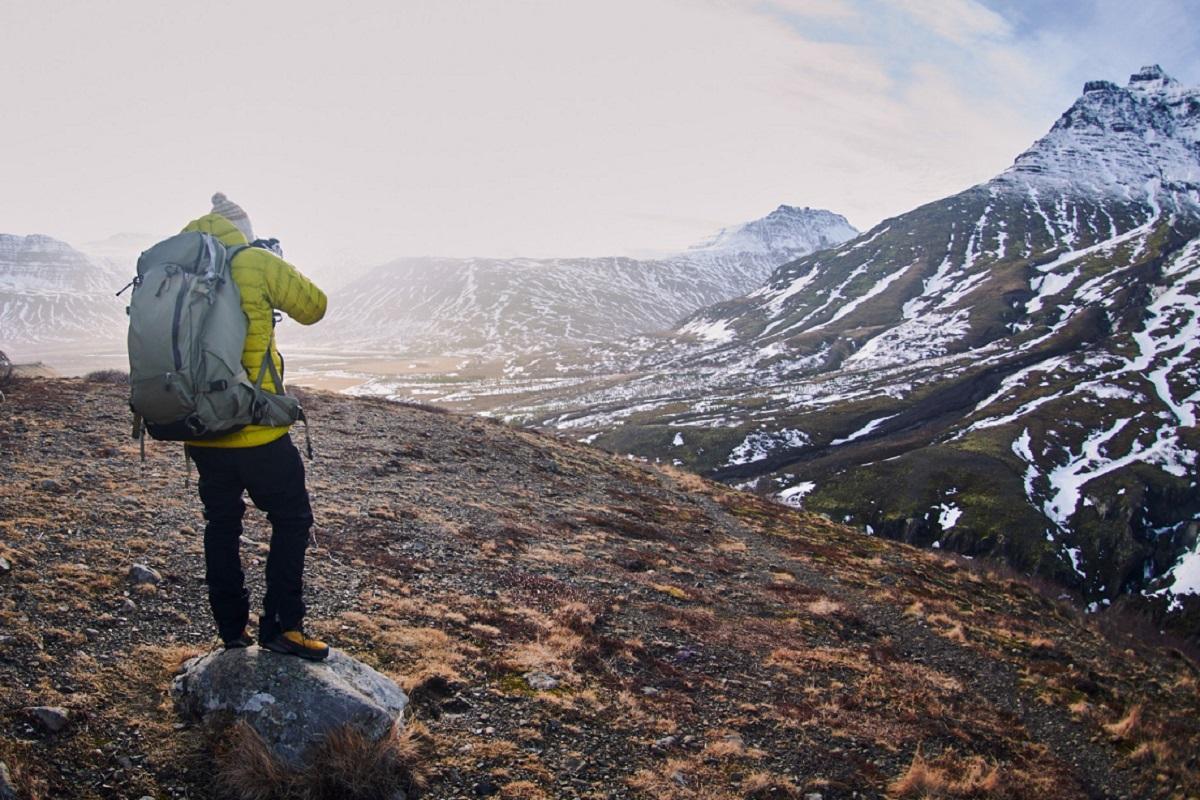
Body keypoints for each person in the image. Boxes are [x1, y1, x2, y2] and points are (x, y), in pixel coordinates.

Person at [182, 192, 331, 660]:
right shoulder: (254, 260)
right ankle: (283, 626)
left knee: (221, 524)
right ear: (242, 230)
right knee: (291, 519)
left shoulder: (179, 267)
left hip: (201, 430)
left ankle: (230, 631)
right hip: (257, 428)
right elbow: (314, 307)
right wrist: (271, 260)